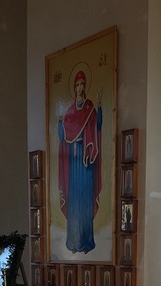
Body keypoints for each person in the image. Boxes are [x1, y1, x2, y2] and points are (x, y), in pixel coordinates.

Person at [58, 69, 102, 254]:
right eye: (77, 84)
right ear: (74, 87)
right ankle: (74, 242)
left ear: (85, 86)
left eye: (82, 84)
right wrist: (59, 121)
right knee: (74, 201)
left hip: (86, 161)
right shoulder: (69, 112)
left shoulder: (89, 107)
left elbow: (98, 126)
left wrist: (99, 107)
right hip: (73, 163)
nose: (79, 87)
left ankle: (86, 242)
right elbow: (61, 136)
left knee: (85, 201)